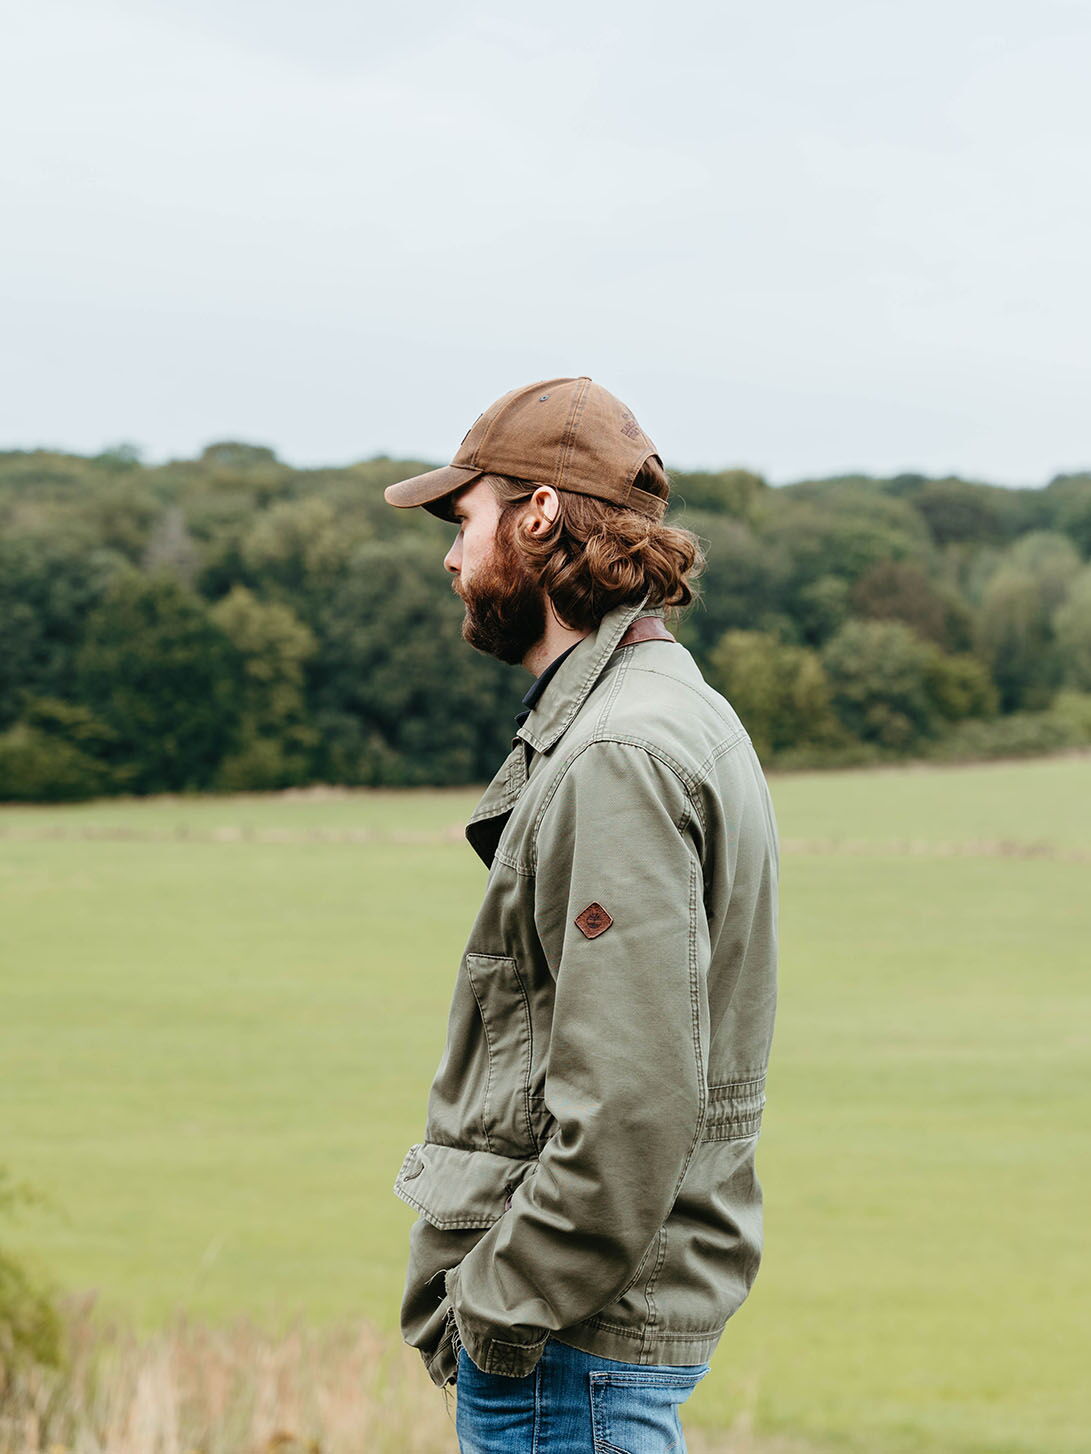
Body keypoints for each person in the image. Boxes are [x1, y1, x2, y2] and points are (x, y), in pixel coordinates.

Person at [383, 376, 779, 1453]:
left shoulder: (617, 754)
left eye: (465, 520)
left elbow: (629, 1102)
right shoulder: (669, 710)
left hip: (569, 1357)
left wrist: (495, 1316)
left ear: (540, 515)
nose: (454, 559)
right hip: (581, 1344)